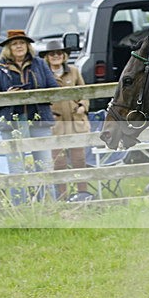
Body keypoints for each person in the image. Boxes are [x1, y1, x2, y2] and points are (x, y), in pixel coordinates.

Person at [0, 30, 59, 205]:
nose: (19, 46)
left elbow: (54, 89)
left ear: (28, 46)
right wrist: (7, 95)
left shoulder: (40, 64)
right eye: (14, 43)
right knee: (16, 168)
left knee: (44, 166)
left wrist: (34, 93)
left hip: (39, 119)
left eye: (22, 43)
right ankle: (19, 207)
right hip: (11, 123)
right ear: (8, 48)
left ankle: (48, 205)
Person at [40, 39, 90, 200]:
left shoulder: (74, 71)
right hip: (56, 124)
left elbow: (85, 92)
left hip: (76, 122)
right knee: (58, 162)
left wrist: (82, 106)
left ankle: (83, 194)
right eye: (52, 54)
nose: (56, 56)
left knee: (79, 160)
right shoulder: (43, 73)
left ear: (64, 55)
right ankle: (62, 197)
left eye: (59, 53)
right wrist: (48, 112)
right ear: (47, 57)